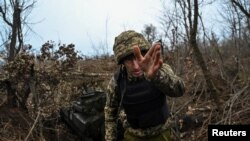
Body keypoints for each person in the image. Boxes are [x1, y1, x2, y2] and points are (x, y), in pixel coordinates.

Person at [104, 30, 185, 141]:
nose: (136, 66)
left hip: (163, 134)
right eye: (129, 60)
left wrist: (156, 76)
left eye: (139, 56)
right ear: (122, 62)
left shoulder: (159, 68)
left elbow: (179, 90)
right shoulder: (117, 81)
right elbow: (110, 112)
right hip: (133, 136)